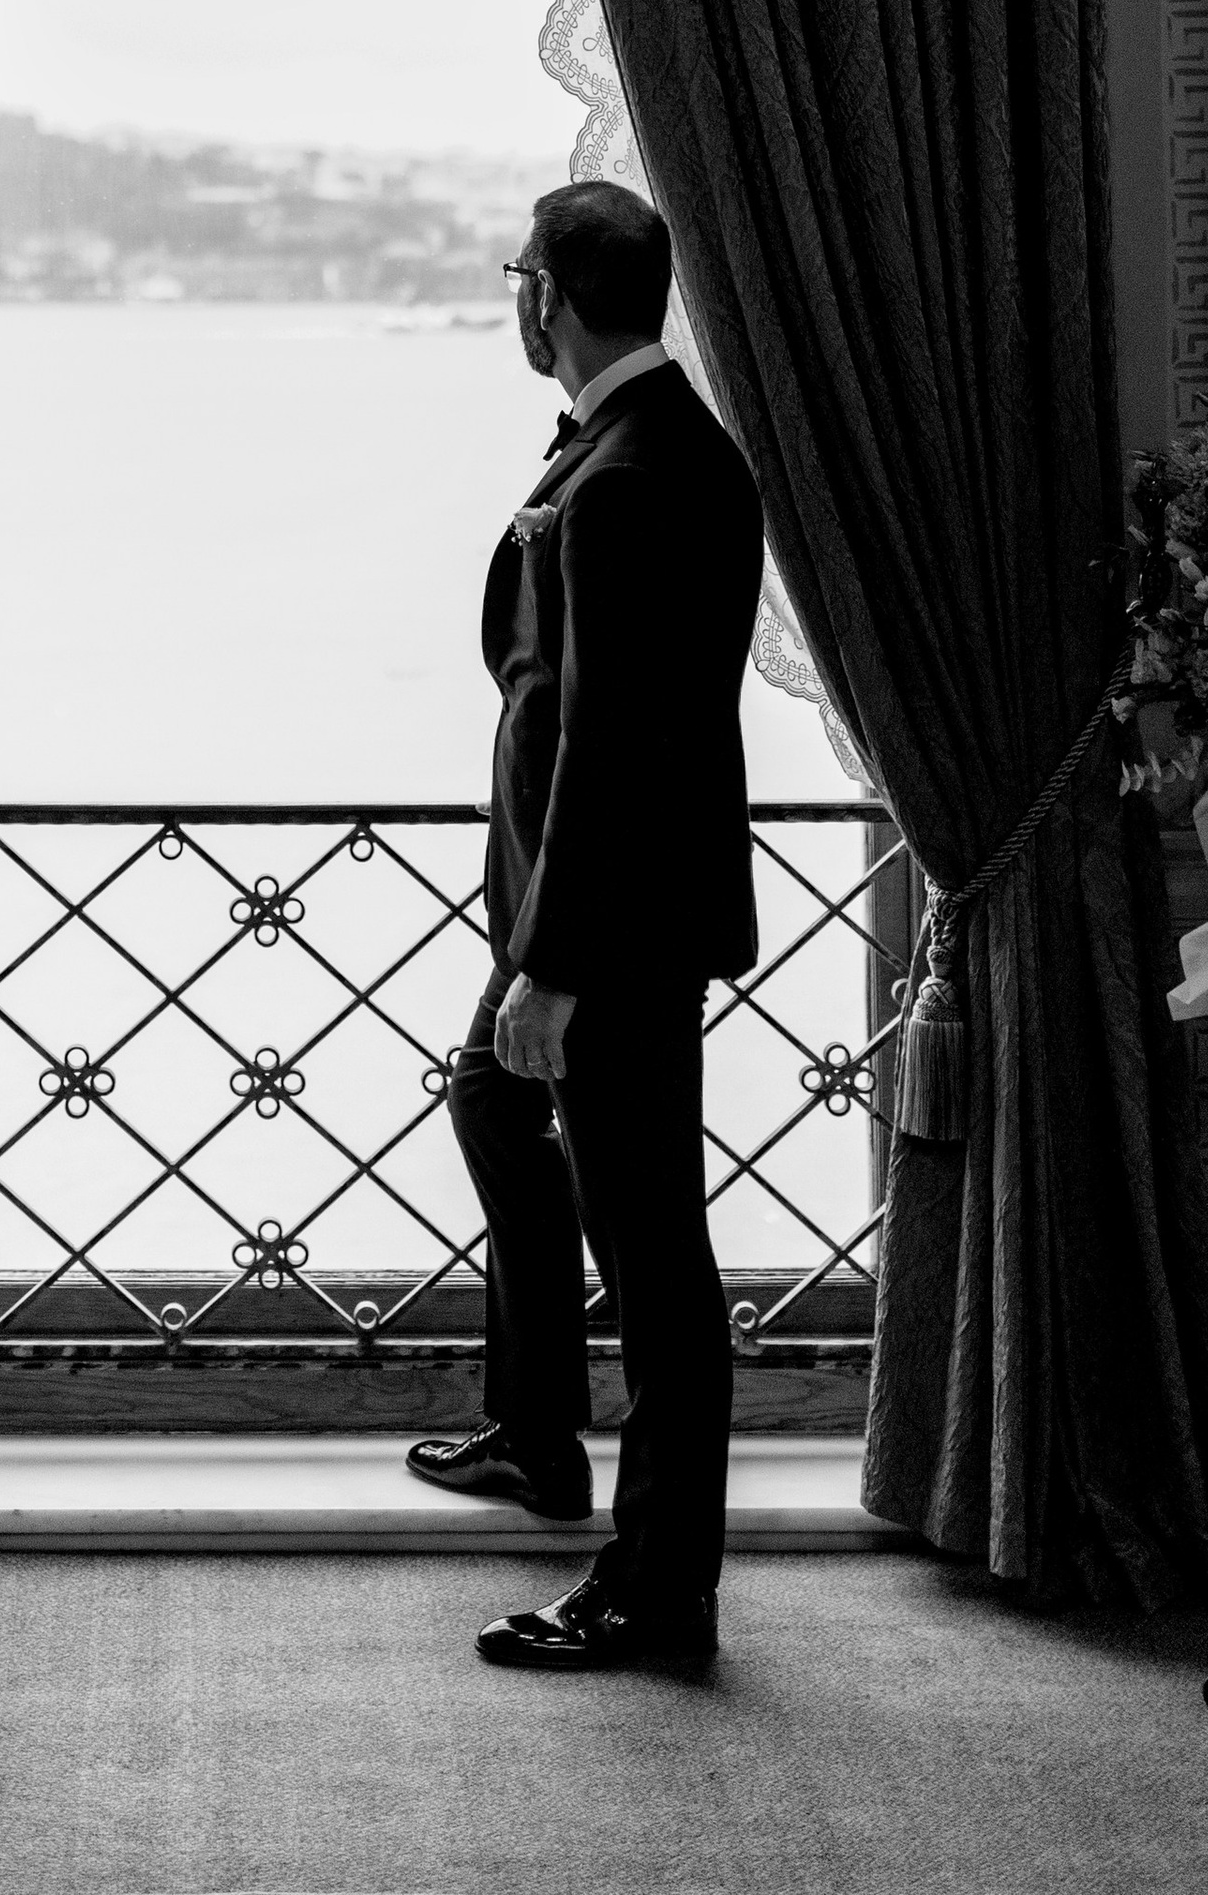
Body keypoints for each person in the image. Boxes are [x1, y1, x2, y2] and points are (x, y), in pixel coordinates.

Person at [407, 177, 762, 1671]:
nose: (513, 297)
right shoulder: (641, 443)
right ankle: (539, 1432)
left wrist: (552, 966)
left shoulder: (630, 473)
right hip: (583, 910)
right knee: (490, 1101)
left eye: (515, 277)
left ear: (543, 294)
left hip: (605, 926)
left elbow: (612, 738)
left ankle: (657, 1585)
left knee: (658, 1260)